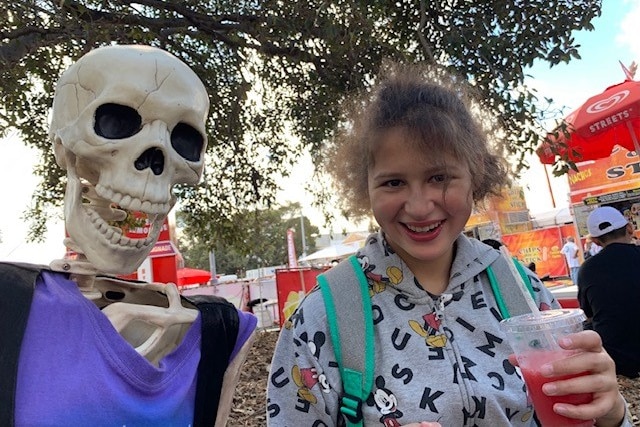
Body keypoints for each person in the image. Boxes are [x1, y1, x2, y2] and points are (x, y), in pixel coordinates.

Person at [267, 63, 629, 426]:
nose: (420, 206)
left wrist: (612, 414)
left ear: (476, 176)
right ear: (366, 189)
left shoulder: (523, 292)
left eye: (439, 177)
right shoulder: (322, 316)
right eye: (393, 183)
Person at [577, 206, 640, 379]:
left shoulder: (587, 269)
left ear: (596, 242)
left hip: (617, 365)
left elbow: (588, 316)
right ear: (629, 228)